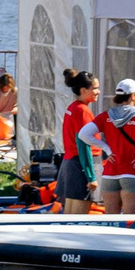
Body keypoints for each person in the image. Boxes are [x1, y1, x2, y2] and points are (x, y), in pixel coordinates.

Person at [89, 79, 135, 215]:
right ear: (132, 96)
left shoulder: (105, 116)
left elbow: (84, 134)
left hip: (110, 172)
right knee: (130, 218)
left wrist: (106, 148)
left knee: (111, 219)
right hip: (133, 171)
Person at [56, 70, 98, 214]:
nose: (98, 92)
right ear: (83, 90)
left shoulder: (72, 107)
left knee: (68, 213)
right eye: (95, 89)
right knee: (78, 217)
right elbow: (83, 144)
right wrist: (91, 176)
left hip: (69, 163)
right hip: (79, 165)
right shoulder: (83, 111)